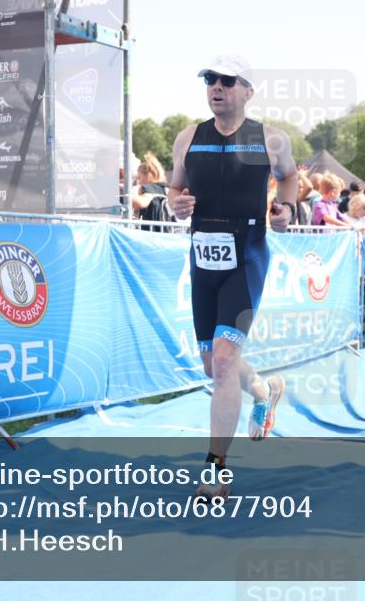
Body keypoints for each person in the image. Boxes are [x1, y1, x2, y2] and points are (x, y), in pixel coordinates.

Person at [167, 55, 294, 498]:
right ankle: (264, 390)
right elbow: (175, 188)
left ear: (247, 91)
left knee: (222, 361)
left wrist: (286, 210)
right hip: (204, 261)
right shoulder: (188, 137)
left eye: (226, 80)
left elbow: (290, 178)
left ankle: (216, 468)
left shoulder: (271, 139)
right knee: (213, 365)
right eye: (209, 80)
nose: (216, 86)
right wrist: (176, 203)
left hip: (247, 259)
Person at [131, 153, 170, 231]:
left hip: (151, 235)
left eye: (139, 177)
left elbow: (141, 202)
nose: (139, 182)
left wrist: (123, 196)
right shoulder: (167, 187)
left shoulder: (149, 188)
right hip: (167, 234)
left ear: (148, 175)